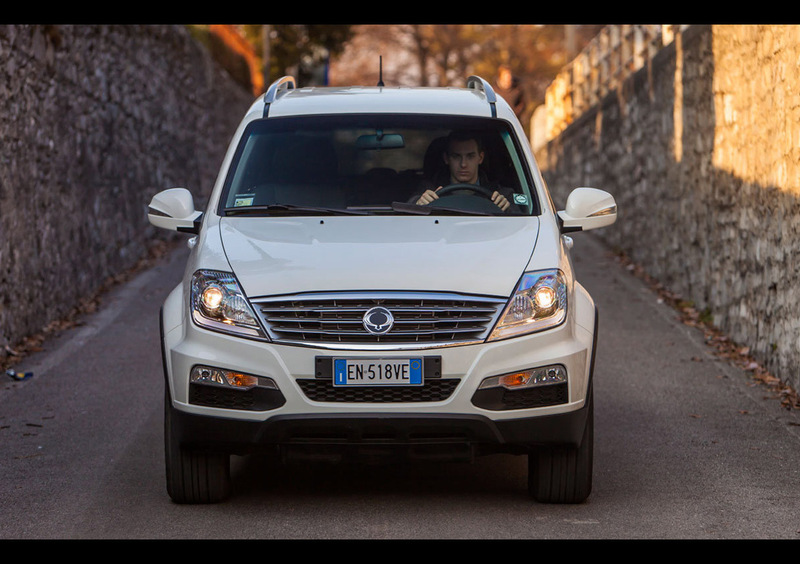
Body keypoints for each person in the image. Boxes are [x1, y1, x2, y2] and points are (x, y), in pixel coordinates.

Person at [413, 131, 510, 212]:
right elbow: (406, 212)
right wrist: (418, 204)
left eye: (470, 156)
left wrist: (508, 209)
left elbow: (521, 221)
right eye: (456, 156)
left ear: (480, 158)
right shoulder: (429, 190)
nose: (463, 164)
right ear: (446, 159)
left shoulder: (498, 193)